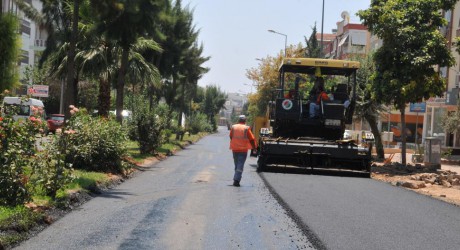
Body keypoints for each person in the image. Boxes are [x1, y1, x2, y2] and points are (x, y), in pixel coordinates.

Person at [229, 115, 257, 187]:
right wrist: (254, 148)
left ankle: (236, 178)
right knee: (240, 165)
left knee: (237, 164)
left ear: (238, 120)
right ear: (245, 121)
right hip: (243, 149)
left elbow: (231, 136)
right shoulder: (246, 128)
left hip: (234, 149)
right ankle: (236, 180)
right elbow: (252, 139)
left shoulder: (234, 127)